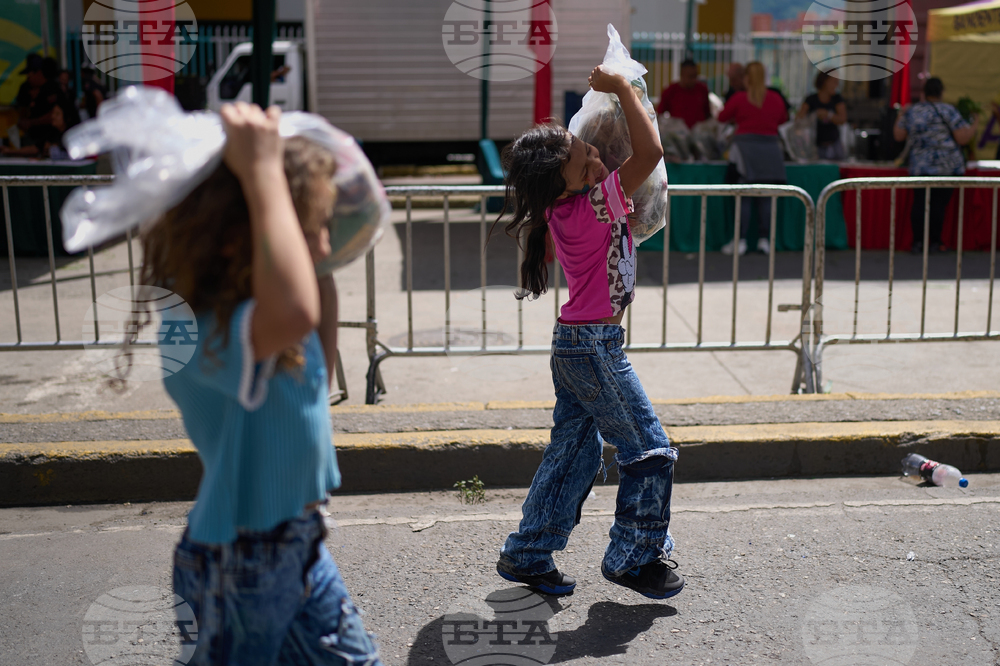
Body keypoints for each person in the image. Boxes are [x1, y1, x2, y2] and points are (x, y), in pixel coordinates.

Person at [129, 103, 383, 664]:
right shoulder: (199, 330)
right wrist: (265, 170)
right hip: (236, 564)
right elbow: (296, 310)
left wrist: (316, 207)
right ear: (236, 235)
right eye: (306, 229)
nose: (318, 246)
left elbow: (311, 311)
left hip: (299, 544)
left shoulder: (266, 321)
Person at [492, 64, 684, 601]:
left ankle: (528, 552)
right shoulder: (591, 207)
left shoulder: (570, 206)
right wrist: (622, 88)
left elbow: (620, 160)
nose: (598, 159)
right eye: (586, 160)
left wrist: (610, 115)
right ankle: (633, 557)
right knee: (648, 449)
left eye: (590, 150)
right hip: (594, 348)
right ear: (566, 183)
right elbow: (647, 158)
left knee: (573, 453)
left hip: (578, 345)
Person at [894, 77, 977, 254]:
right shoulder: (948, 110)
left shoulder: (913, 111)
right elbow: (962, 137)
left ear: (923, 92)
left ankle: (918, 242)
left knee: (919, 203)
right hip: (946, 167)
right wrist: (975, 124)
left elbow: (898, 135)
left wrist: (901, 114)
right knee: (938, 205)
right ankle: (936, 242)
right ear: (941, 92)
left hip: (920, 167)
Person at [717, 61, 788, 255]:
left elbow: (722, 117)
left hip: (745, 149)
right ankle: (765, 240)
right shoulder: (775, 98)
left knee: (744, 197)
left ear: (747, 78)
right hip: (771, 150)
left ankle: (740, 241)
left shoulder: (740, 98)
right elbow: (783, 119)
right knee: (766, 196)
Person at [797, 72, 848, 160]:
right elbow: (798, 119)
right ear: (825, 82)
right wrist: (813, 116)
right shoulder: (811, 99)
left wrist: (828, 115)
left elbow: (843, 119)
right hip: (815, 146)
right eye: (834, 82)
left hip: (834, 144)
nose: (836, 85)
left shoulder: (837, 99)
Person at [656, 59, 711, 129]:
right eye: (690, 76)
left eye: (695, 76)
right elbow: (660, 114)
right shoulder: (670, 91)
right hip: (678, 135)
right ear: (682, 74)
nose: (693, 80)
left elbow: (707, 114)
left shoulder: (703, 90)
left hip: (699, 134)